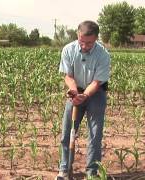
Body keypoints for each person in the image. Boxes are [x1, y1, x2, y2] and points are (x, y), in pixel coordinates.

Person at [56, 20, 110, 178]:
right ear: (77, 35)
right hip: (75, 92)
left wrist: (85, 95)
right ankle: (64, 169)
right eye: (82, 41)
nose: (85, 46)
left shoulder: (103, 54)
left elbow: (97, 82)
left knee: (95, 134)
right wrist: (74, 93)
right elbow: (68, 76)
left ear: (96, 39)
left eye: (90, 43)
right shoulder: (68, 49)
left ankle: (91, 172)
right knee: (67, 132)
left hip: (96, 93)